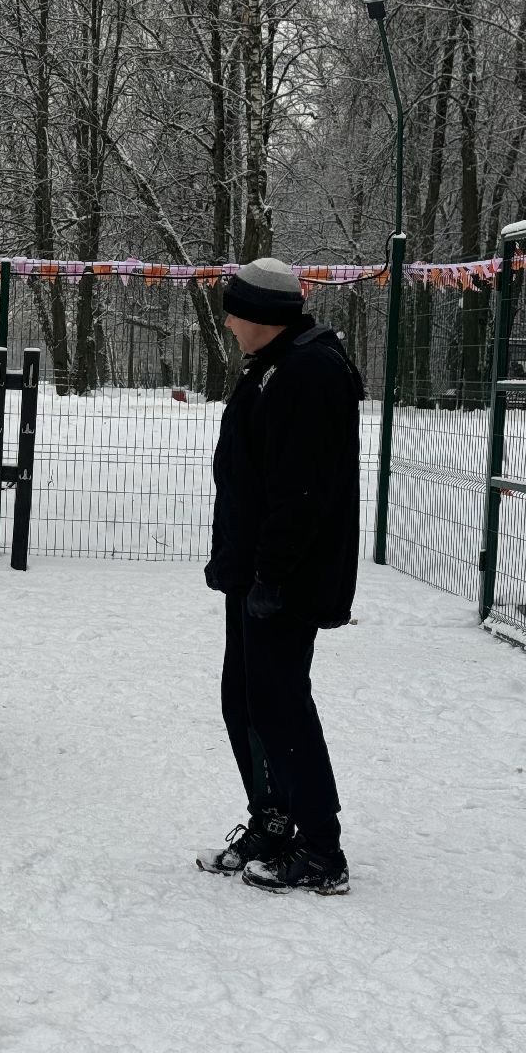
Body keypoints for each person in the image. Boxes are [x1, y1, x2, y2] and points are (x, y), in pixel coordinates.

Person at [196, 257, 364, 895]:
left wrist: (269, 572)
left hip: (285, 578)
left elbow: (301, 492)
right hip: (257, 573)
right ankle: (274, 819)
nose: (230, 322)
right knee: (245, 697)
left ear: (265, 317)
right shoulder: (274, 368)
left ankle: (321, 846)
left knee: (278, 701)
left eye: (236, 310)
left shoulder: (305, 373)